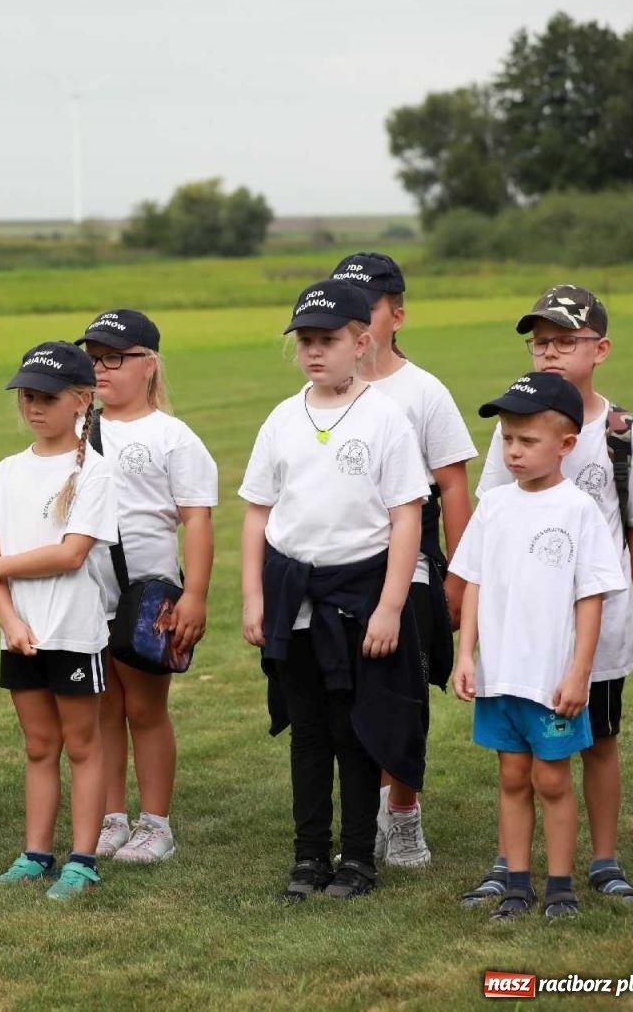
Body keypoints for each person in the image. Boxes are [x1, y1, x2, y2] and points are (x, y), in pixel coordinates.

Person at [239, 281, 429, 904]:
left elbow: (407, 517)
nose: (315, 353)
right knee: (309, 730)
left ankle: (357, 861)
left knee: (357, 732)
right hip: (294, 594)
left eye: (329, 340)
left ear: (361, 341)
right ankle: (309, 857)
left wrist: (391, 607)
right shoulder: (282, 418)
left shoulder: (385, 418)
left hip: (360, 595)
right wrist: (253, 599)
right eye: (306, 342)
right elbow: (257, 514)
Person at [463, 285, 633, 908]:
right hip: (524, 629)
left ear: (599, 349)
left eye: (564, 342)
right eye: (540, 343)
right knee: (520, 754)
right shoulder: (519, 427)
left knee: (597, 736)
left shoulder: (622, 432)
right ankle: (508, 864)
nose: (549, 353)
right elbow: (490, 514)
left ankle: (603, 861)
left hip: (598, 619)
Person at [450, 372, 625, 921]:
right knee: (511, 777)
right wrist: (464, 655)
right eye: (507, 440)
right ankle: (518, 885)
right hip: (500, 675)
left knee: (552, 778)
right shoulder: (495, 505)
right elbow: (474, 582)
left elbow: (591, 598)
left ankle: (562, 888)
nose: (514, 452)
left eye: (527, 441)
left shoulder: (578, 511)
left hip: (551, 679)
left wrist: (579, 673)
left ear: (566, 444)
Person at [333, 252, 476, 869]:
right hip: (339, 570)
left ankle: (404, 815)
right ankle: (361, 818)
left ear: (396, 315)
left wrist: (460, 580)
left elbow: (453, 488)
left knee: (405, 697)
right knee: (346, 697)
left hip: (411, 564)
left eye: (367, 308)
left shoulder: (424, 392)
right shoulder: (321, 392)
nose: (356, 321)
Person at [0, 342, 118, 901]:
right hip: (21, 634)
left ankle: (82, 861)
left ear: (82, 400)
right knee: (38, 746)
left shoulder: (95, 473)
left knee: (82, 744)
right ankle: (35, 855)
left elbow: (71, 553)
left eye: (47, 398)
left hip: (74, 633)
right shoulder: (8, 471)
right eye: (27, 396)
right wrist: (9, 621)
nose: (34, 407)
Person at [75, 310, 217, 864]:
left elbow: (197, 520)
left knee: (146, 709)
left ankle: (155, 824)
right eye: (93, 358)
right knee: (102, 707)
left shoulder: (171, 436)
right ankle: (112, 817)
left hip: (149, 596)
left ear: (149, 364)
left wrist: (196, 596)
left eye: (115, 357)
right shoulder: (79, 428)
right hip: (88, 592)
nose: (101, 369)